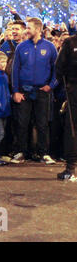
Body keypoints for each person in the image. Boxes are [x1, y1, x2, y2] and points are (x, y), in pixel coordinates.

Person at [11, 17, 58, 164]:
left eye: (29, 28)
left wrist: (51, 85)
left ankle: (44, 153)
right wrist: (15, 91)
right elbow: (15, 70)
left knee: (42, 124)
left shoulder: (50, 47)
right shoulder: (21, 47)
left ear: (38, 29)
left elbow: (57, 69)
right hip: (24, 91)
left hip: (42, 91)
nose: (26, 30)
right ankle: (21, 152)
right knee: (22, 123)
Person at [55, 33, 77, 180]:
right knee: (72, 130)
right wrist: (68, 86)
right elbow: (59, 68)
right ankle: (70, 168)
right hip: (74, 92)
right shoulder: (70, 42)